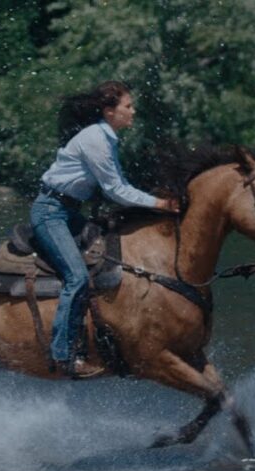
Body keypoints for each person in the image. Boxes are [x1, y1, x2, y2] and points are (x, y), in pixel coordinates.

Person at [32, 80, 178, 379]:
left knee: (108, 260)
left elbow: (118, 185)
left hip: (68, 212)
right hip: (50, 214)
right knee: (77, 277)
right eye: (128, 106)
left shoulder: (106, 138)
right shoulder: (96, 139)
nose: (133, 111)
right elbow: (116, 190)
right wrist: (160, 204)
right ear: (110, 111)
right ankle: (63, 354)